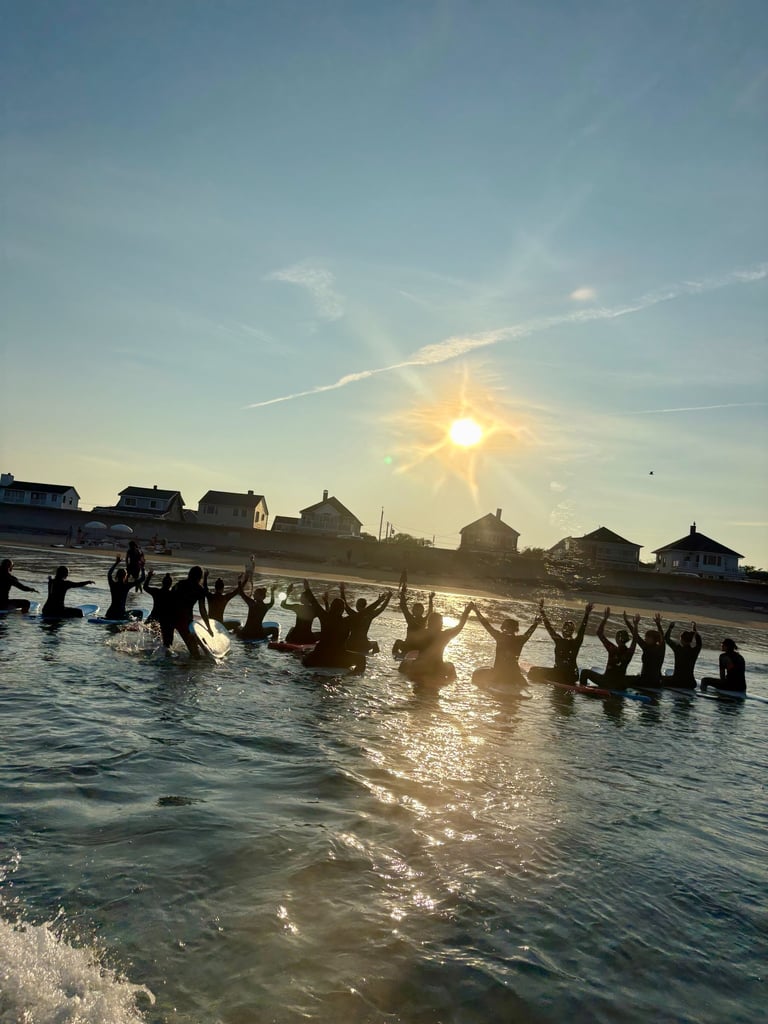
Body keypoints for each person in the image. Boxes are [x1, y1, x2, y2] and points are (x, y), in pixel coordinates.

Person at [300, 579, 365, 673]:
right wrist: (379, 601)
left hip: (321, 655)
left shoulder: (325, 617)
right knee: (362, 659)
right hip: (339, 658)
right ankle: (353, 676)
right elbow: (364, 613)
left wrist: (307, 588)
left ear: (332, 607)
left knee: (304, 656)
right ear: (342, 610)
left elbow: (314, 603)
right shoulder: (347, 621)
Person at [398, 603, 473, 684]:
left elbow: (410, 644)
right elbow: (460, 626)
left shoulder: (422, 633)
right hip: (438, 668)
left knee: (405, 662)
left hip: (420, 667)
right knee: (450, 666)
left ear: (428, 623)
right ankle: (451, 683)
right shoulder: (444, 635)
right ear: (441, 624)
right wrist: (466, 612)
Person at [471, 604, 540, 687]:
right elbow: (529, 632)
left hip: (498, 675)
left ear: (503, 627)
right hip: (514, 676)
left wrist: (476, 611)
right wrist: (536, 623)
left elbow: (486, 624)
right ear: (516, 629)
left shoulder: (499, 636)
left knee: (476, 673)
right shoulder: (521, 639)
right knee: (523, 680)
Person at [528, 600, 593, 684]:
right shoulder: (576, 642)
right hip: (573, 676)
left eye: (567, 629)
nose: (565, 631)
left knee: (533, 670)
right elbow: (582, 630)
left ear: (570, 631)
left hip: (559, 674)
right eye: (565, 629)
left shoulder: (560, 640)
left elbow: (549, 627)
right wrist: (586, 614)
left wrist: (541, 611)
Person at [579, 608, 637, 688]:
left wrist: (605, 618)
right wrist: (636, 625)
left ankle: (582, 689)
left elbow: (599, 633)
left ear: (618, 639)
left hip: (606, 682)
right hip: (620, 685)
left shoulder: (612, 649)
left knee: (584, 672)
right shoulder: (629, 652)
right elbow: (635, 639)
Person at [169, 566, 212, 658]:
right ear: (200, 577)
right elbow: (202, 611)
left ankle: (167, 670)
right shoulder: (200, 589)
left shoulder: (180, 584)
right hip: (184, 620)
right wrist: (209, 628)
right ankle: (189, 670)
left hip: (170, 617)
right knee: (195, 654)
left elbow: (169, 598)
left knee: (167, 648)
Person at [341, 583, 391, 654]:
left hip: (350, 643)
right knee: (374, 644)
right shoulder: (369, 616)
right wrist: (388, 598)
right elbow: (382, 608)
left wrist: (342, 591)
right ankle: (374, 655)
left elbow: (345, 605)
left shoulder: (353, 615)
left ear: (357, 606)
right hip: (363, 644)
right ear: (365, 606)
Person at [622, 611, 666, 689]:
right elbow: (636, 636)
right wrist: (627, 622)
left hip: (644, 682)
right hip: (656, 682)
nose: (645, 639)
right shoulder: (656, 648)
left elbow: (662, 637)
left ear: (654, 639)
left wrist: (658, 624)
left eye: (647, 638)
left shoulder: (654, 648)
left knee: (622, 679)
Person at [392, 585, 434, 657]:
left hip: (410, 646)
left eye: (417, 610)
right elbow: (403, 607)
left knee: (398, 642)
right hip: (416, 647)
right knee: (398, 642)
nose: (416, 611)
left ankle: (396, 655)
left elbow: (403, 607)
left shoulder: (413, 620)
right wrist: (430, 599)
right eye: (415, 609)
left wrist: (403, 594)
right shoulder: (420, 620)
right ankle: (396, 656)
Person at [104, 555, 144, 621]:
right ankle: (136, 627)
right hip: (120, 614)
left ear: (116, 576)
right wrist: (142, 568)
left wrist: (116, 563)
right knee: (140, 613)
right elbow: (142, 579)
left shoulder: (112, 584)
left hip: (110, 613)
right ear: (125, 577)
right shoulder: (126, 586)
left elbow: (109, 574)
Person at [664, 621, 702, 689]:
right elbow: (699, 643)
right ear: (690, 641)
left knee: (659, 678)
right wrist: (694, 630)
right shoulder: (695, 651)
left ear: (681, 639)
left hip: (677, 681)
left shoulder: (678, 649)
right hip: (691, 683)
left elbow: (666, 639)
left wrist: (670, 628)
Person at [144, 570, 175, 647]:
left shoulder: (156, 591)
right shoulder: (172, 594)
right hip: (165, 620)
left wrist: (149, 577)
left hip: (154, 617)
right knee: (165, 642)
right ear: (170, 584)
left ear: (162, 583)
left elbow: (145, 587)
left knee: (154, 638)